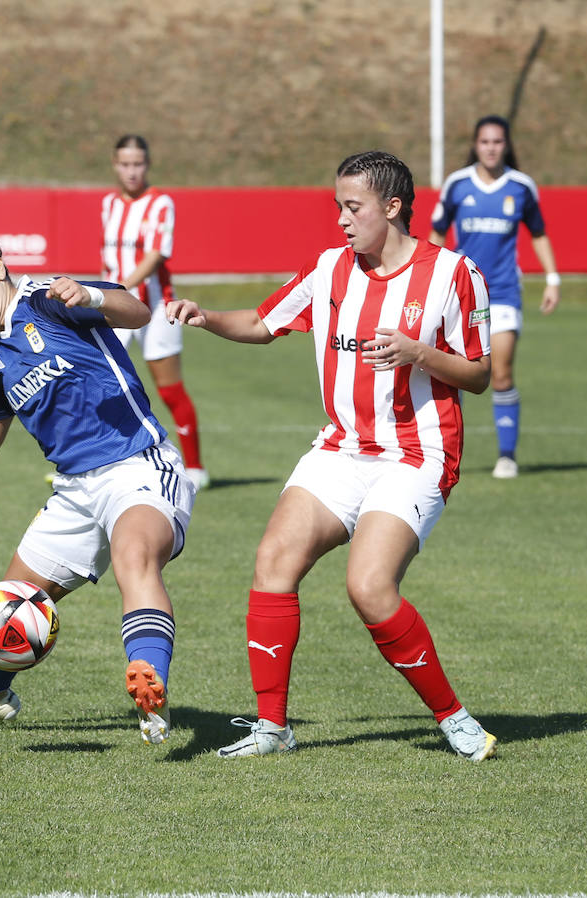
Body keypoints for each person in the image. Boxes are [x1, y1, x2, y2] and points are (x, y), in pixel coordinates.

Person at [167, 151, 498, 761]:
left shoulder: (453, 274)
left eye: (353, 207)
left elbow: (481, 374)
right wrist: (204, 316)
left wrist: (417, 353)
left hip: (415, 454)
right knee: (272, 562)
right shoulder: (328, 269)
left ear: (392, 207)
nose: (342, 221)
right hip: (341, 448)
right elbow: (265, 323)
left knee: (369, 587)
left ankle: (453, 718)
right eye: (338, 207)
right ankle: (273, 729)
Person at [0, 214, 196, 745]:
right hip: (74, 490)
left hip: (138, 465)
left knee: (132, 557)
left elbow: (138, 312)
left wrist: (90, 295)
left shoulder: (47, 298)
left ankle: (148, 680)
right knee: (9, 608)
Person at [430, 114, 561, 479]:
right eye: (485, 142)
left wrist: (552, 278)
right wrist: (427, 279)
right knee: (447, 375)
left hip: (502, 294)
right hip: (460, 295)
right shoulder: (457, 185)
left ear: (507, 145)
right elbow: (436, 235)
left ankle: (507, 455)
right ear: (475, 144)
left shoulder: (520, 187)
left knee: (500, 374)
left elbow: (538, 233)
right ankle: (437, 450)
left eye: (498, 142)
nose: (491, 148)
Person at [101, 134, 208, 489]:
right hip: (115, 306)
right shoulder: (109, 205)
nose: (132, 171)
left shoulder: (161, 203)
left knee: (169, 390)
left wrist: (123, 285)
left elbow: (156, 254)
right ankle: (91, 462)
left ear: (147, 165)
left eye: (138, 164)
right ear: (115, 165)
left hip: (157, 306)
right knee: (99, 383)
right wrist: (104, 295)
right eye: (125, 164)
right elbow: (107, 260)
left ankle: (194, 468)